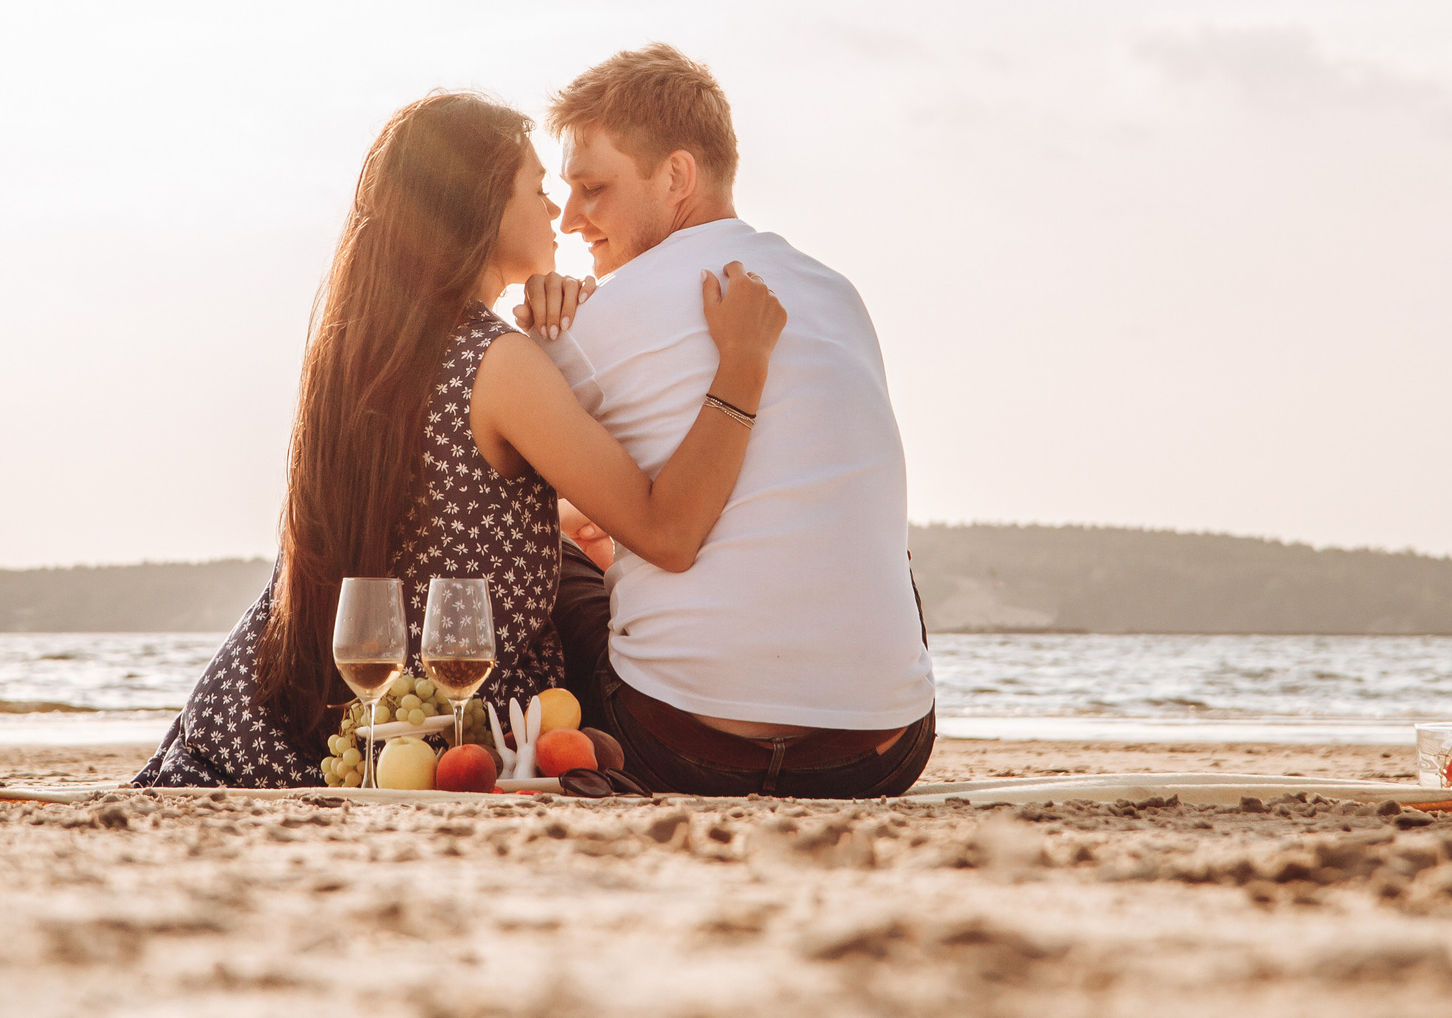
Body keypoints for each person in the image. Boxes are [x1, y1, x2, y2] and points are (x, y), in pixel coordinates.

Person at [133, 91, 785, 788]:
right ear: (479, 207)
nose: (558, 214)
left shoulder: (365, 350)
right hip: (447, 730)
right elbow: (669, 529)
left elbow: (439, 511)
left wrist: (551, 516)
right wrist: (742, 368)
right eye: (537, 189)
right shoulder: (500, 363)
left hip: (261, 718)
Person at [521, 44, 937, 799]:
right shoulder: (838, 294)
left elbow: (517, 482)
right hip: (881, 750)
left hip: (683, 742)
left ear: (676, 176)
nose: (575, 216)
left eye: (594, 188)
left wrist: (548, 329)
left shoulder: (592, 321)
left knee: (531, 540)